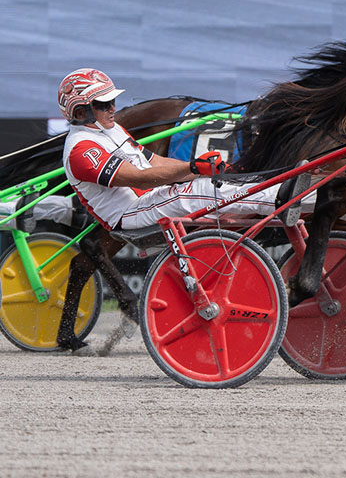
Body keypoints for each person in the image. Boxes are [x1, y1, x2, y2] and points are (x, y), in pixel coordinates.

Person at [55, 68, 310, 355]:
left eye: (112, 101)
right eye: (103, 104)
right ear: (79, 112)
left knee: (208, 182)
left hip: (147, 200)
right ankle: (282, 197)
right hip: (130, 214)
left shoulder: (111, 130)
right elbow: (137, 177)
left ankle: (300, 194)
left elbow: (152, 161)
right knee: (188, 194)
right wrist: (189, 170)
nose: (113, 108)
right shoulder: (81, 149)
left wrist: (195, 168)